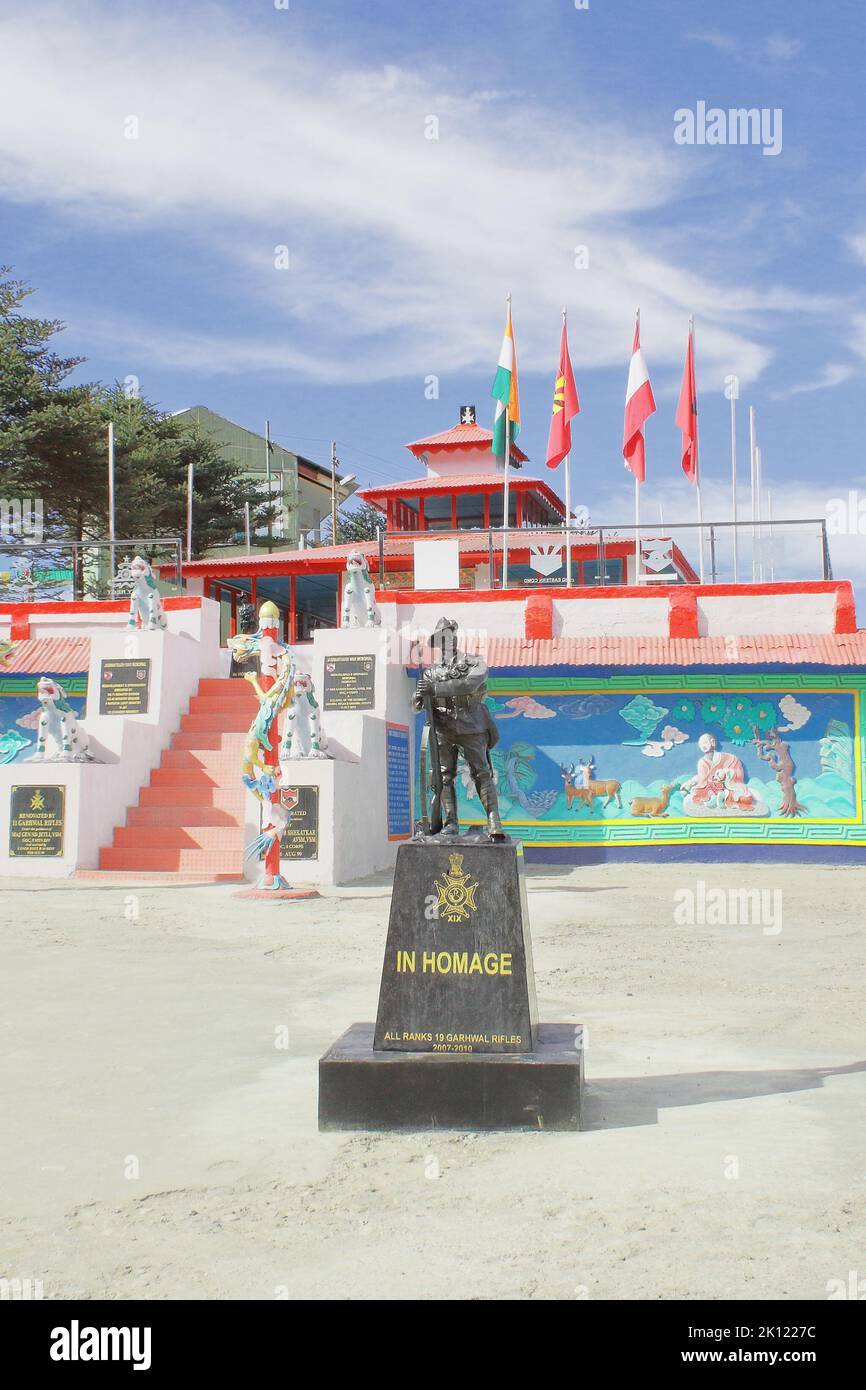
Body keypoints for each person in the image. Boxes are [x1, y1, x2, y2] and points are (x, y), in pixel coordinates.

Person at [413, 617, 504, 838]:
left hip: (471, 723)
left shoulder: (474, 662)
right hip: (443, 728)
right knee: (444, 777)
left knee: (481, 773)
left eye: (450, 634)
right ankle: (451, 822)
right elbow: (416, 704)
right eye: (443, 636)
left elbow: (470, 684)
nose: (449, 639)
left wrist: (435, 689)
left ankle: (494, 821)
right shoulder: (430, 673)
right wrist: (420, 694)